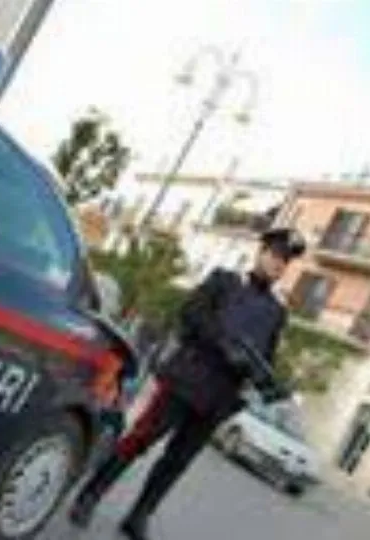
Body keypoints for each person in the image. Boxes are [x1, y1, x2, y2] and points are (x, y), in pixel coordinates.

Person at [69, 227, 307, 540]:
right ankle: (90, 495)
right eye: (275, 255)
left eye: (285, 261)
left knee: (177, 462)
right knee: (140, 439)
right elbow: (191, 313)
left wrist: (265, 381)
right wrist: (224, 344)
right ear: (260, 252)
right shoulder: (224, 281)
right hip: (186, 379)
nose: (278, 264)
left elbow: (266, 356)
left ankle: (139, 515)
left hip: (219, 399)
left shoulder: (276, 312)